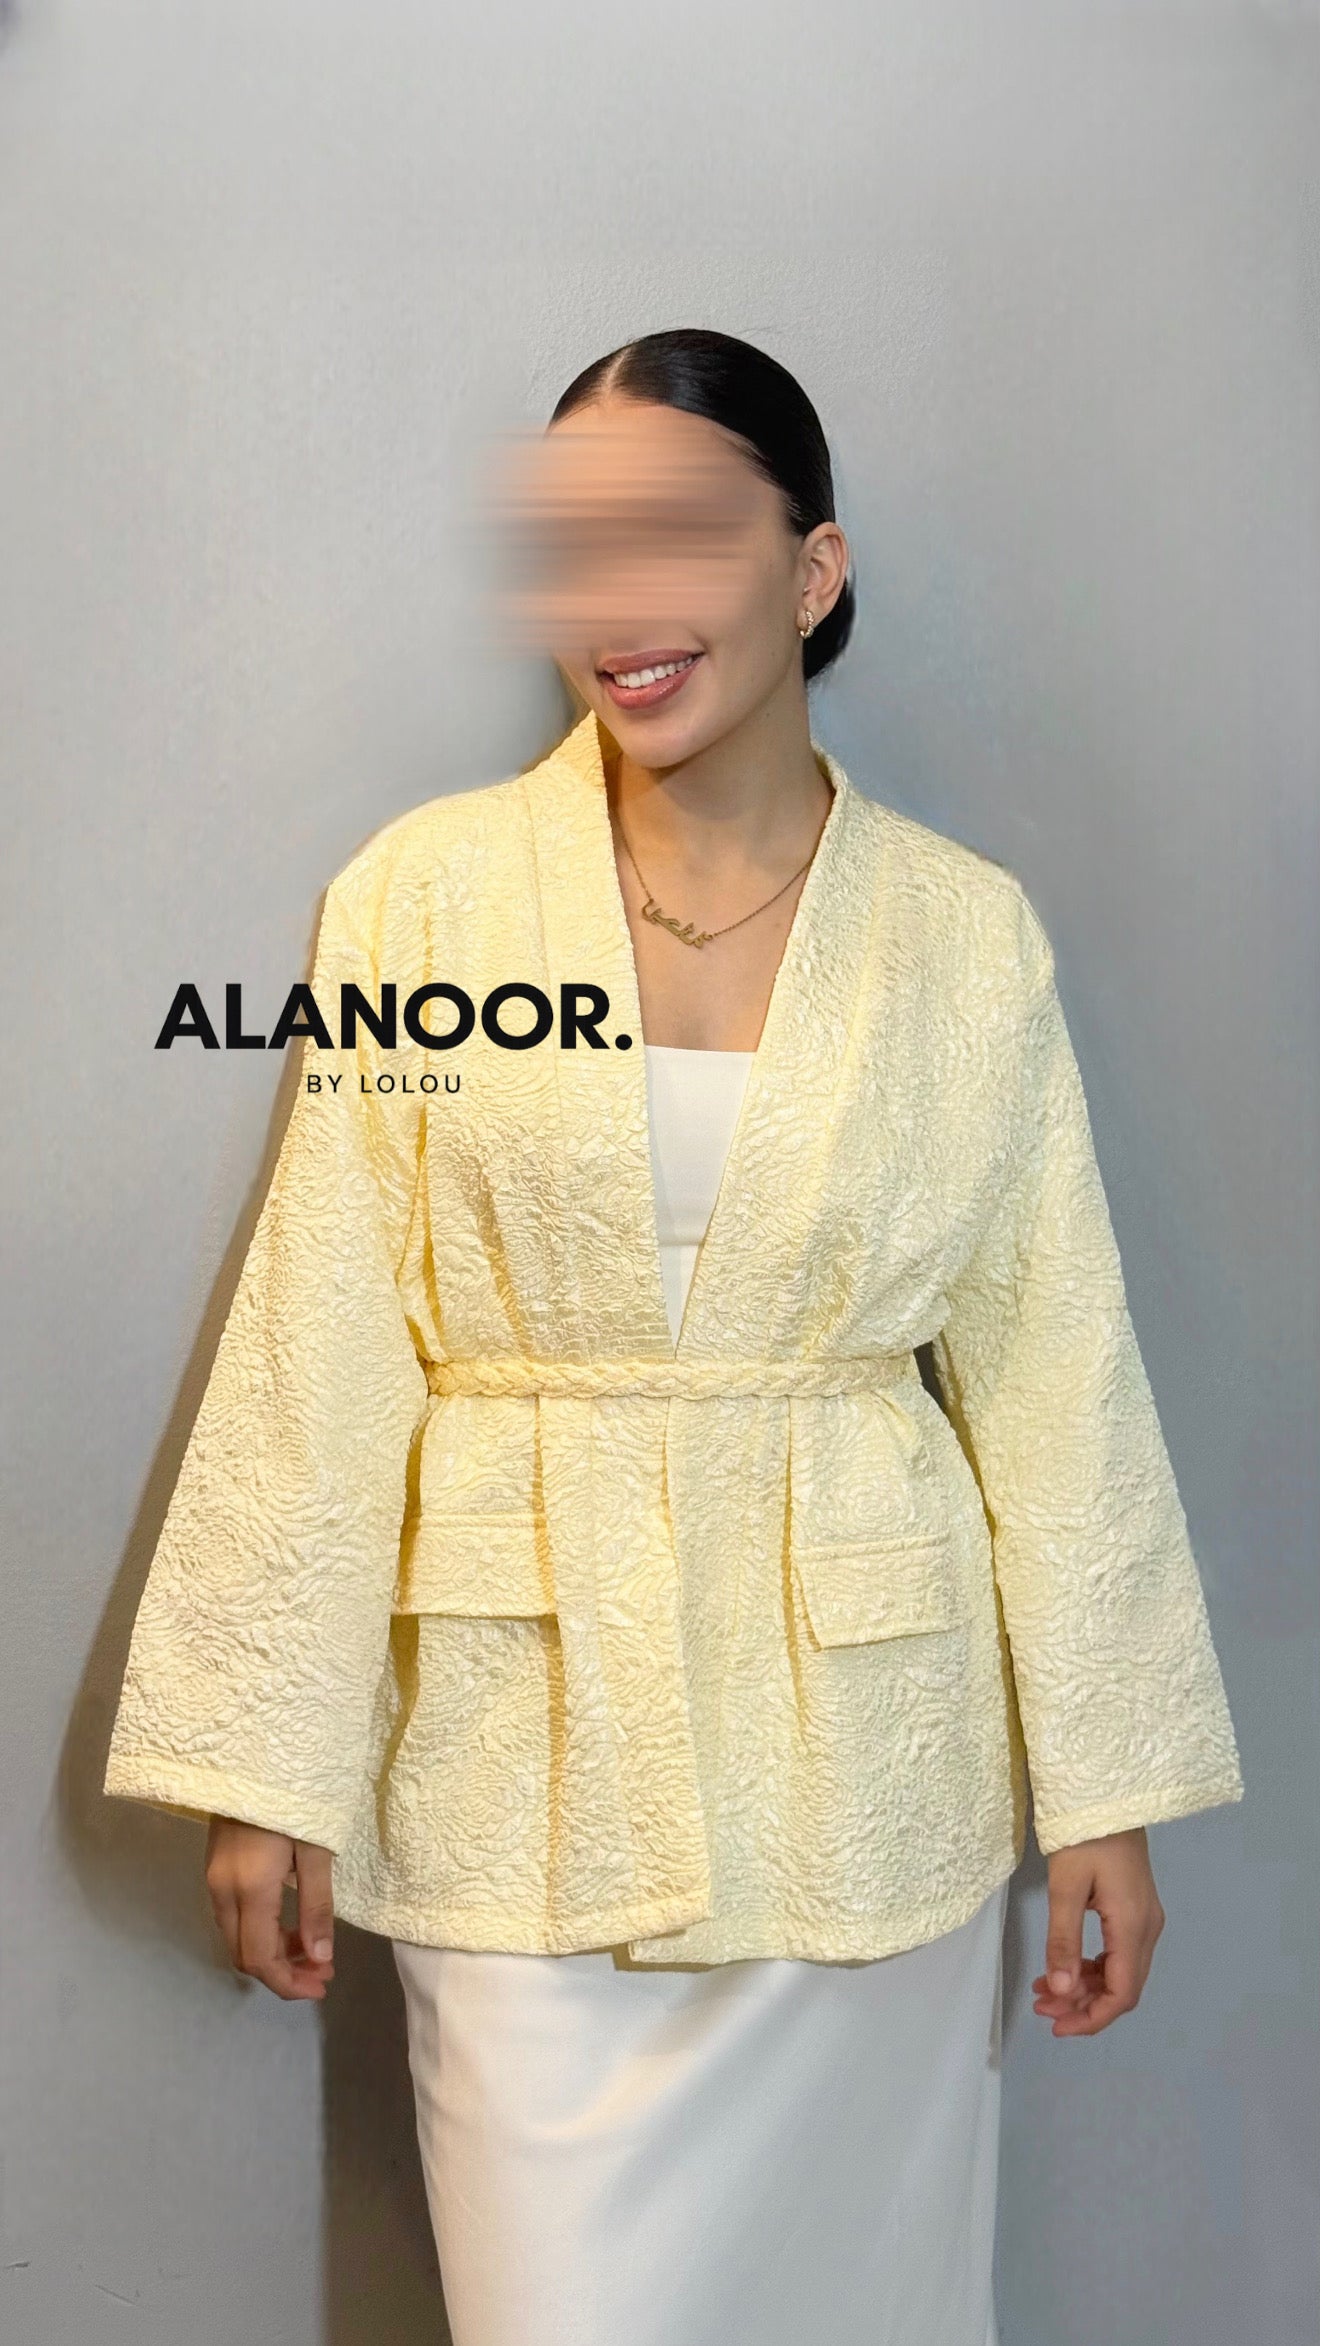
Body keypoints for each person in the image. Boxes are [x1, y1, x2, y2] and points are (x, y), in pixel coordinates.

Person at [104, 328, 1244, 2346]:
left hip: (866, 1779)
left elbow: (1057, 1373)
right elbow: (322, 1329)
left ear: (812, 570)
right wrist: (263, 1760)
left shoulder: (960, 933)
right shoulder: (426, 905)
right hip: (530, 1752)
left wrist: (1105, 1786)